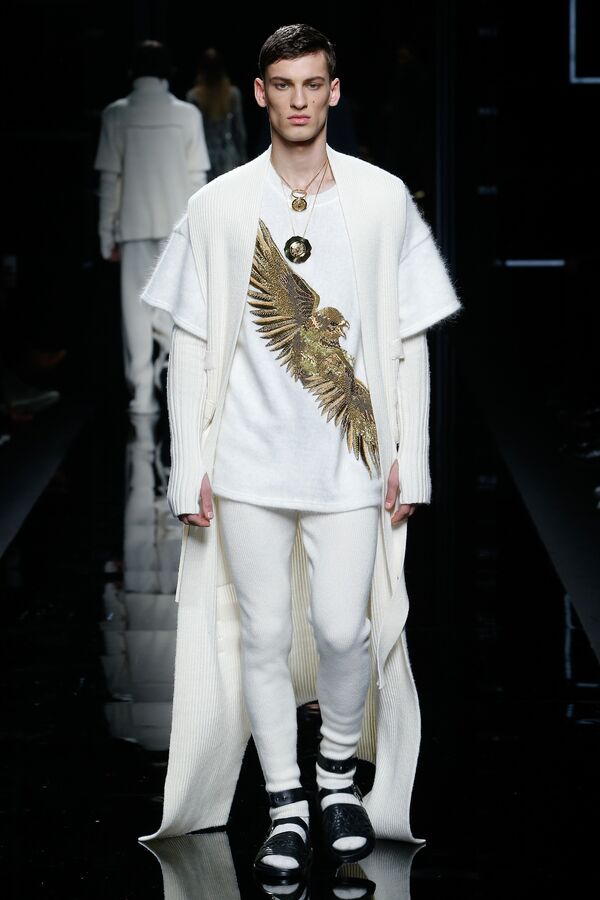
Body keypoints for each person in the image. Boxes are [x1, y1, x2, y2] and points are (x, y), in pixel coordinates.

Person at [137, 23, 463, 883]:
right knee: (263, 635)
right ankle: (285, 802)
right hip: (247, 461)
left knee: (344, 630)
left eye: (313, 83)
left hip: (350, 460)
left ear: (334, 91)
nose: (298, 100)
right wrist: (189, 465)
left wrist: (414, 456)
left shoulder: (383, 199)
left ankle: (337, 777)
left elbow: (409, 341)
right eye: (283, 85)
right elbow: (192, 344)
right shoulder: (218, 205)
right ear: (260, 93)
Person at [94, 40, 211, 415]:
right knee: (174, 307)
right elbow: (197, 179)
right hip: (177, 226)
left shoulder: (116, 115)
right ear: (168, 72)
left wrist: (105, 234)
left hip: (133, 226)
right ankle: (178, 383)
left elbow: (110, 181)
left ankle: (143, 392)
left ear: (132, 71)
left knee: (136, 309)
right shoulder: (187, 115)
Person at [186, 48, 248, 180]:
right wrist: (244, 160)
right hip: (228, 156)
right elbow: (239, 132)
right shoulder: (232, 94)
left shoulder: (194, 97)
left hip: (204, 157)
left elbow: (191, 134)